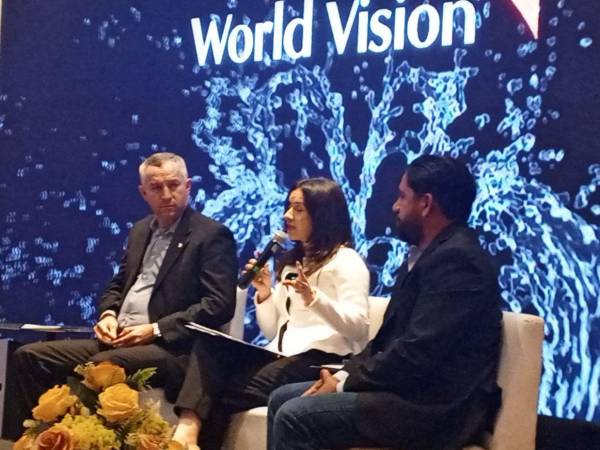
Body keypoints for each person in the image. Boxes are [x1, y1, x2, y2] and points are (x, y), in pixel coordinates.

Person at [267, 155, 503, 450]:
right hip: (404, 390)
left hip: (433, 407)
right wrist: (344, 374)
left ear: (426, 203)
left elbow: (417, 353)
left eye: (402, 196)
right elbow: (385, 341)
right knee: (281, 398)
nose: (394, 206)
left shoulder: (459, 261)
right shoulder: (424, 256)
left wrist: (342, 384)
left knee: (295, 416)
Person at [13, 152, 238, 432]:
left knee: (103, 365)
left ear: (188, 186)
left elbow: (218, 304)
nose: (167, 194)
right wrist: (108, 314)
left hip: (171, 349)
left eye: (174, 185)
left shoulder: (211, 235)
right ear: (143, 193)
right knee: (29, 357)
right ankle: (34, 439)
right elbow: (119, 284)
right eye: (157, 187)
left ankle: (86, 440)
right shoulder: (140, 231)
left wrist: (155, 329)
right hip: (121, 339)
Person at [170, 178, 370, 450]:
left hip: (321, 359)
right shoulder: (293, 263)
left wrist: (314, 299)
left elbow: (358, 328)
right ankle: (187, 435)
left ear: (322, 215)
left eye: (298, 209)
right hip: (280, 354)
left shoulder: (346, 261)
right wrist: (264, 294)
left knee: (215, 389)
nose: (287, 215)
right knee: (209, 346)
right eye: (288, 207)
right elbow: (273, 330)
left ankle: (186, 439)